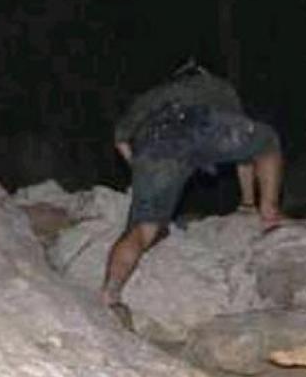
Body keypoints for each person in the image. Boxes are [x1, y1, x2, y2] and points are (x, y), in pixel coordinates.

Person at [101, 63, 287, 325]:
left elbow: (121, 141)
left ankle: (110, 295)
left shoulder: (150, 97)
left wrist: (145, 177)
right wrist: (248, 203)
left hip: (155, 140)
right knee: (267, 142)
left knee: (143, 228)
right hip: (203, 122)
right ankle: (269, 212)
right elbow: (244, 156)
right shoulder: (217, 87)